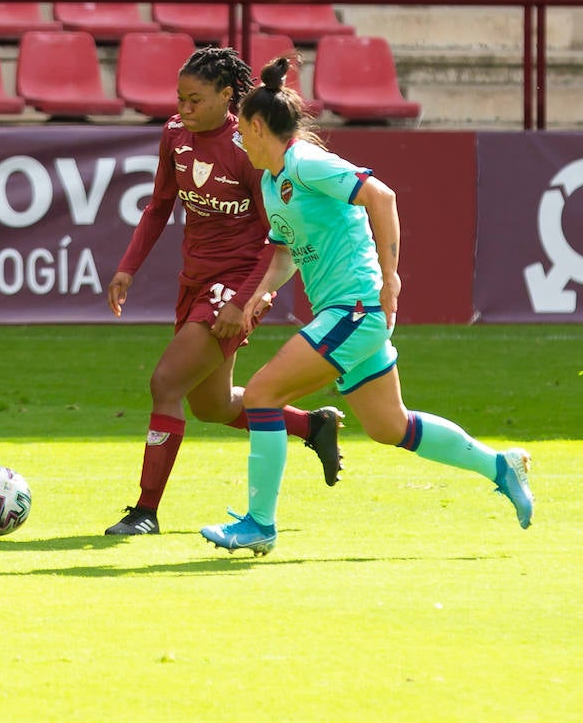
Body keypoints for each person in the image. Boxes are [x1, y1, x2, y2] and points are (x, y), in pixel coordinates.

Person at [198, 56, 534, 555]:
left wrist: (391, 278)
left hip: (354, 312)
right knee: (389, 426)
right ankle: (499, 466)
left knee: (261, 394)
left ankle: (259, 524)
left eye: (241, 129)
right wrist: (256, 296)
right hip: (346, 316)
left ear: (257, 125)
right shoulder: (272, 184)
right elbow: (287, 253)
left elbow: (382, 196)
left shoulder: (305, 162)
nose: (237, 139)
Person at [103, 46, 346, 536]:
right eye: (179, 99)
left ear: (227, 96)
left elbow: (277, 239)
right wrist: (128, 266)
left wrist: (243, 302)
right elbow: (159, 206)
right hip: (194, 281)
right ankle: (311, 426)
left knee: (165, 384)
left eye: (194, 100)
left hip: (237, 285)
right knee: (211, 406)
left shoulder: (248, 149)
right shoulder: (174, 134)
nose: (184, 109)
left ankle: (145, 511)